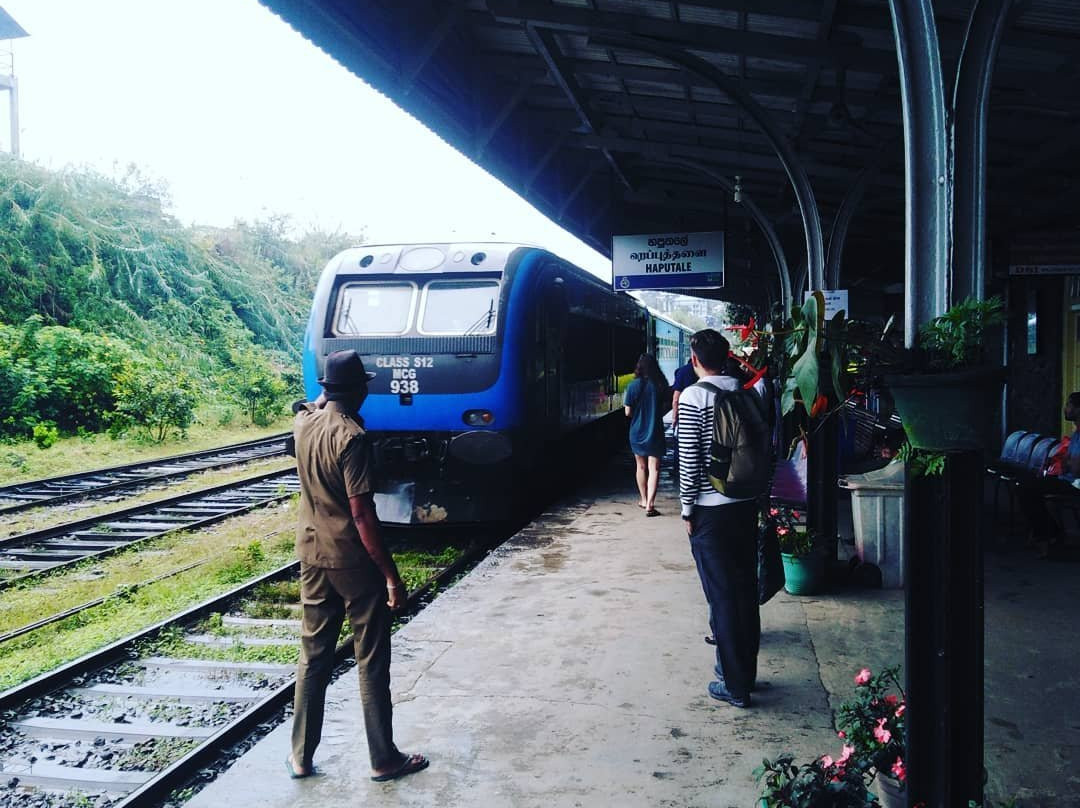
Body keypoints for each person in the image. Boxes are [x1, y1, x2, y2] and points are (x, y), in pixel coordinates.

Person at [287, 349, 429, 782]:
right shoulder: (352, 439)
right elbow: (363, 515)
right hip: (351, 558)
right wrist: (390, 575)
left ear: (327, 389)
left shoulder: (303, 423)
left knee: (313, 656)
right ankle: (383, 758)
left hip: (311, 554)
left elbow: (308, 408)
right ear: (358, 390)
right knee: (371, 658)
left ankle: (300, 756)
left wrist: (318, 404)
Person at [677, 329, 763, 709]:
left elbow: (689, 459)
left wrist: (687, 508)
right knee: (744, 591)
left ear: (695, 360)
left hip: (711, 511)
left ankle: (735, 685)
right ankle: (745, 672)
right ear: (727, 356)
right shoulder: (747, 392)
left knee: (722, 597)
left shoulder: (696, 396)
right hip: (746, 505)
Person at [624, 353, 668, 516]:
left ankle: (643, 499)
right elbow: (667, 406)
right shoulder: (661, 385)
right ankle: (650, 504)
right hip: (655, 430)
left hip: (636, 431)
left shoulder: (633, 386)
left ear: (639, 367)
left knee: (640, 466)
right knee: (654, 469)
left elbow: (628, 412)